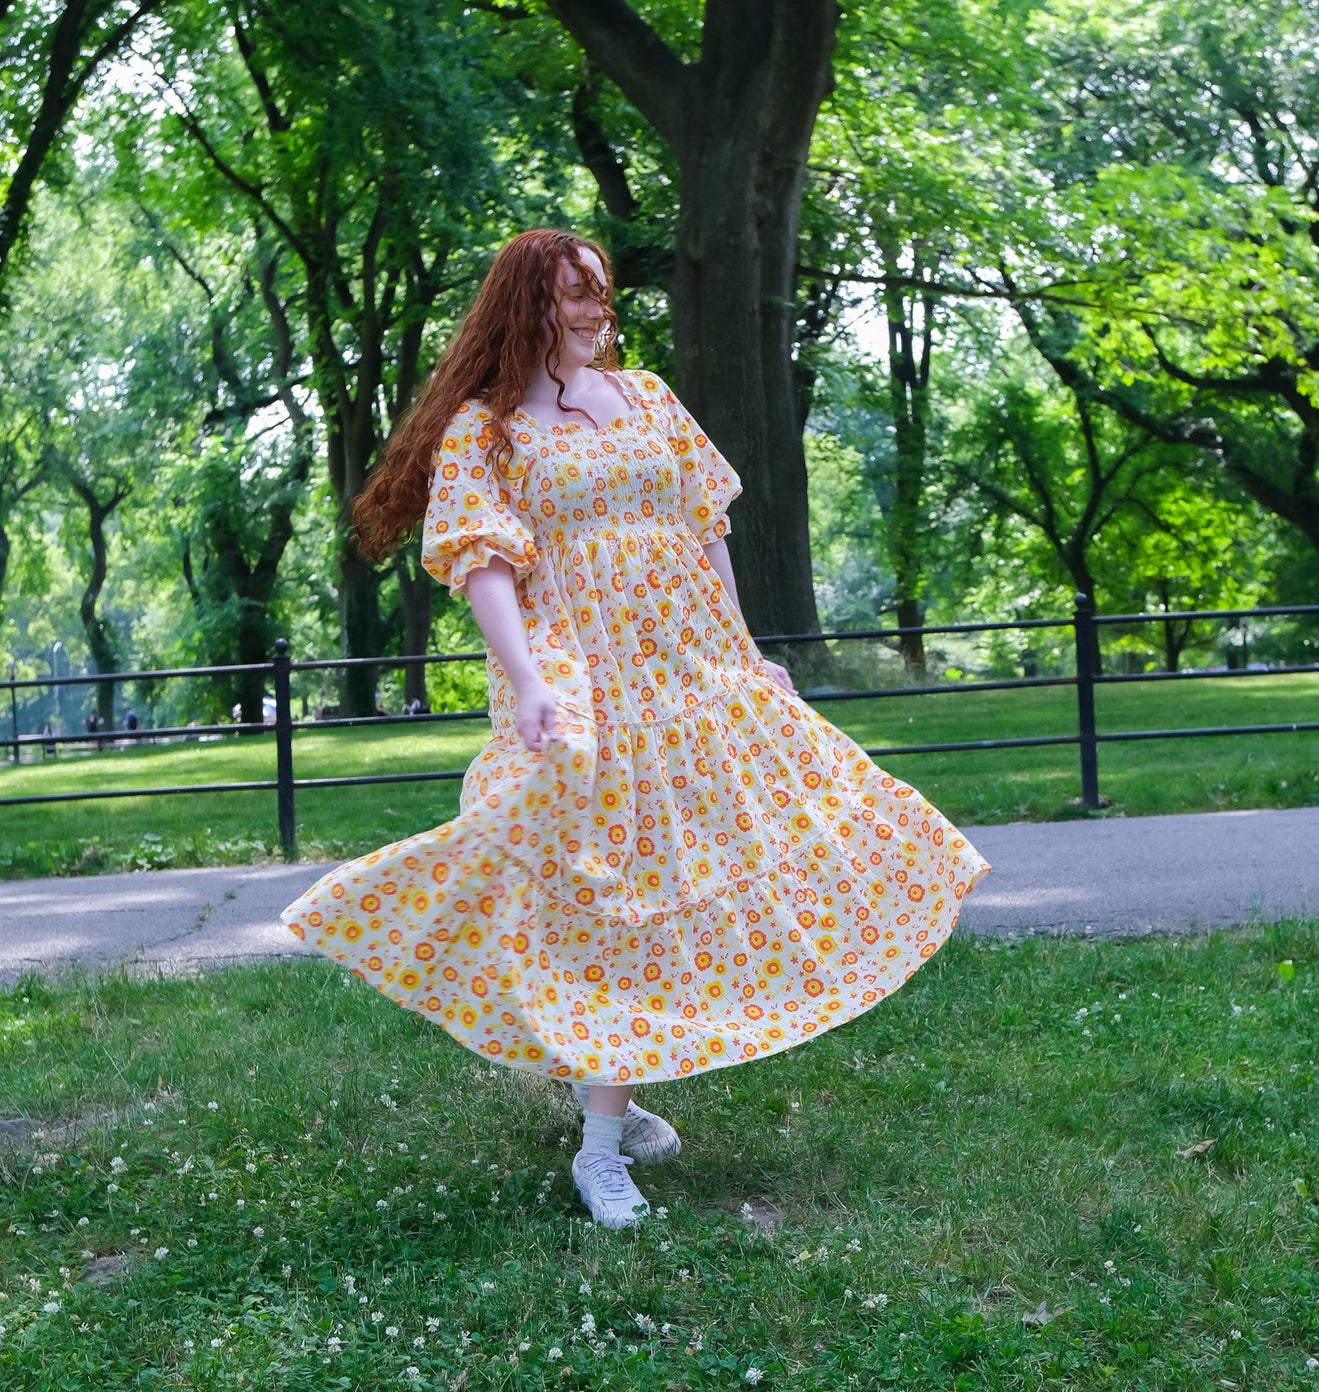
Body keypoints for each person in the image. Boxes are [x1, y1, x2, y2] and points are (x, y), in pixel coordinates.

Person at [281, 229, 989, 1229]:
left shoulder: (649, 396)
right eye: (572, 294)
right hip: (583, 670)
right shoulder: (484, 431)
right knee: (600, 877)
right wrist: (525, 679)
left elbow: (705, 528)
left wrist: (743, 654)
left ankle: (602, 1079)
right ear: (524, 302)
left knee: (697, 863)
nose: (593, 311)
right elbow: (483, 564)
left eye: (600, 293)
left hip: (687, 669)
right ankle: (600, 1150)